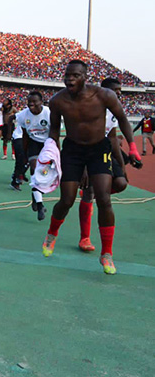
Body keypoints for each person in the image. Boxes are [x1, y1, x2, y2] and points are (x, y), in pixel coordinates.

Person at [42, 61, 142, 275]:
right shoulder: (57, 101)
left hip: (99, 149)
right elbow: (53, 129)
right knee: (66, 200)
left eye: (75, 75)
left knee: (104, 199)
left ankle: (107, 253)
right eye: (67, 75)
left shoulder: (104, 95)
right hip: (72, 150)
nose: (70, 79)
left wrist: (132, 148)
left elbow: (123, 120)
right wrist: (49, 153)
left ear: (85, 77)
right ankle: (52, 233)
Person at [78, 78, 130, 252]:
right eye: (116, 90)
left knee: (121, 183)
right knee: (89, 193)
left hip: (105, 152)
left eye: (120, 90)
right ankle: (84, 238)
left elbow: (113, 137)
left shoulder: (114, 110)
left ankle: (98, 193)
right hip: (87, 153)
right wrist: (83, 167)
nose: (120, 93)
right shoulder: (90, 109)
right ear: (104, 92)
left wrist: (121, 164)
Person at [19, 91, 50, 220]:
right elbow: (25, 135)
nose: (31, 104)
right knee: (34, 168)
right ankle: (39, 204)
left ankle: (36, 193)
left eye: (34, 102)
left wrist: (56, 150)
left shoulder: (49, 113)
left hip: (48, 143)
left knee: (44, 174)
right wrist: (25, 153)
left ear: (41, 102)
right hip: (33, 143)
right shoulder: (23, 115)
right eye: (29, 102)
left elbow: (55, 133)